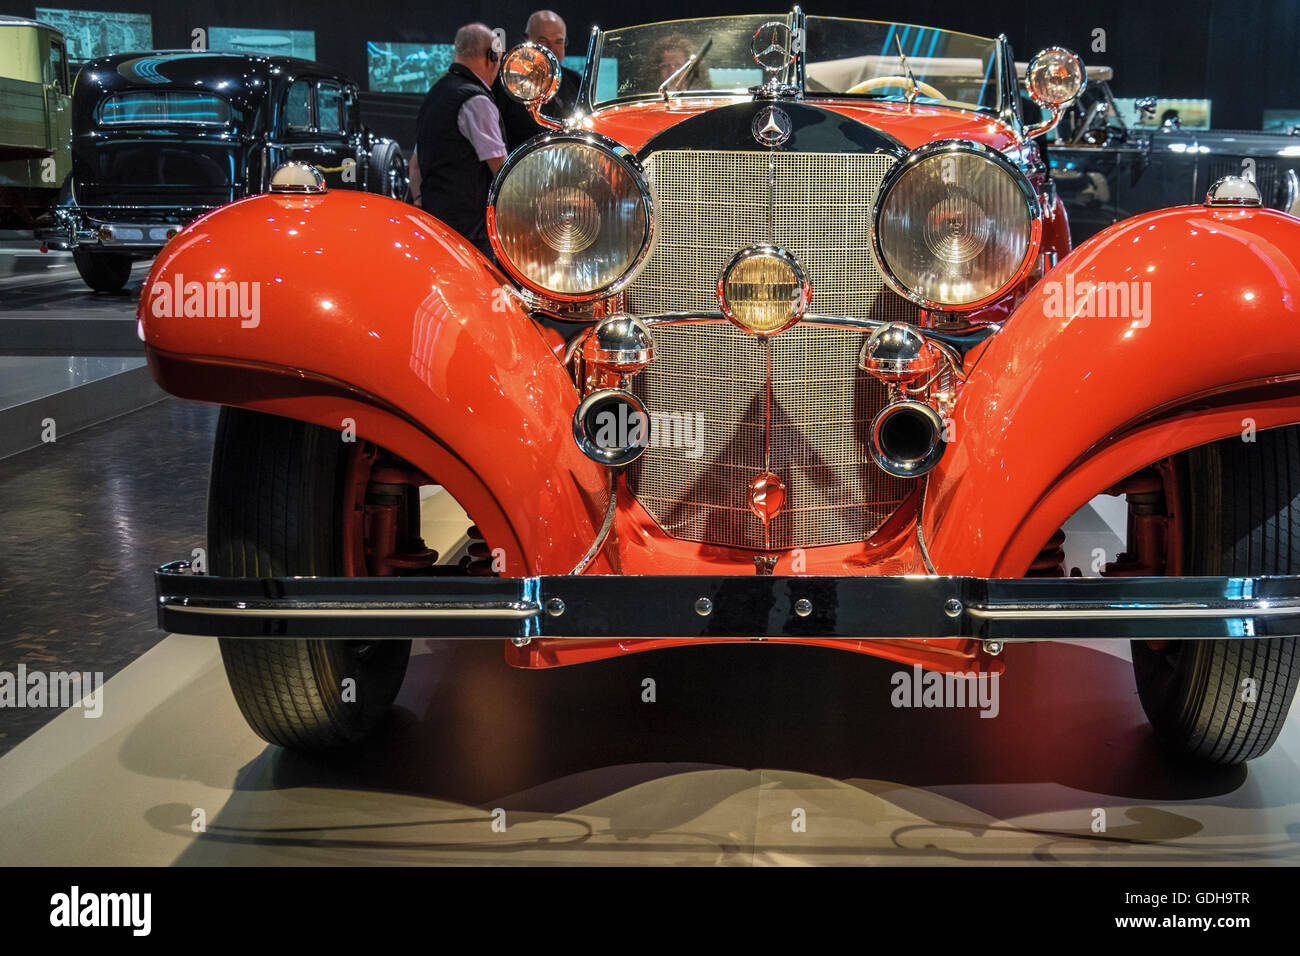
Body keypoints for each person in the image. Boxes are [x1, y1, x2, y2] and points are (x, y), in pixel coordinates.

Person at [414, 23, 508, 258]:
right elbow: (502, 170)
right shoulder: (477, 101)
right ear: (491, 57)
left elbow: (415, 163)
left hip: (435, 222)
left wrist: (421, 204)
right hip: (470, 231)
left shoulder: (436, 92)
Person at [494, 10, 583, 152]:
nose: (550, 49)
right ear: (527, 41)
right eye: (542, 41)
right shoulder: (507, 82)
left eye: (558, 42)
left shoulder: (576, 81)